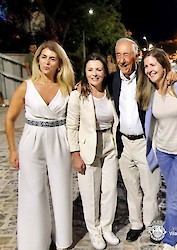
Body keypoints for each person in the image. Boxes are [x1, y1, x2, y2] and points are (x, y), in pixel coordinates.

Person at [5, 40, 74, 250]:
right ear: (37, 60)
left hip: (59, 139)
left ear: (59, 64)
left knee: (62, 190)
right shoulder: (26, 86)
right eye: (43, 57)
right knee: (33, 193)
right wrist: (12, 149)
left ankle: (63, 240)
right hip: (32, 140)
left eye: (52, 58)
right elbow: (9, 119)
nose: (47, 62)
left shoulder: (67, 88)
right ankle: (35, 242)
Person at [137, 48, 177, 250]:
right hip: (163, 152)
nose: (148, 70)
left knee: (172, 198)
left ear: (164, 66)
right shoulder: (151, 93)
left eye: (152, 65)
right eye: (146, 66)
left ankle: (170, 239)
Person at [106, 38, 162, 242]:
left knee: (151, 189)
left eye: (126, 54)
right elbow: (92, 82)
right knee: (131, 188)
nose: (122, 60)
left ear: (136, 56)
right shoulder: (113, 80)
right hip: (124, 143)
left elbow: (166, 79)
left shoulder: (146, 76)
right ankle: (136, 223)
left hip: (144, 143)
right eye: (118, 55)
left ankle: (153, 224)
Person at [66, 54, 120, 250]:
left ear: (105, 71)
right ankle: (94, 230)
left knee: (110, 190)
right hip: (89, 146)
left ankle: (106, 227)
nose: (94, 73)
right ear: (85, 72)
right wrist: (75, 154)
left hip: (109, 144)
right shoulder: (77, 94)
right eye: (90, 69)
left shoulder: (110, 91)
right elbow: (71, 126)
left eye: (98, 69)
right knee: (90, 193)